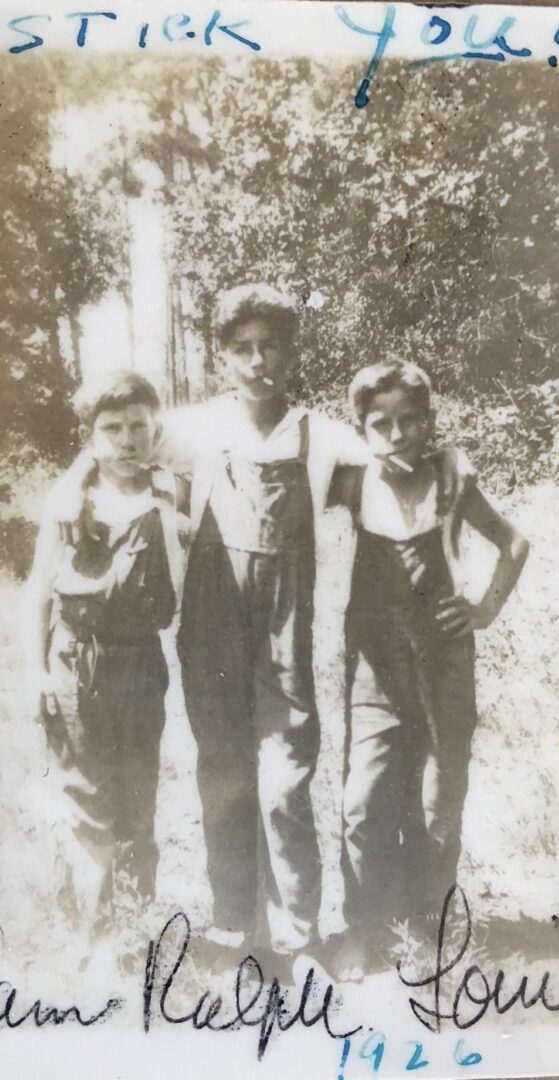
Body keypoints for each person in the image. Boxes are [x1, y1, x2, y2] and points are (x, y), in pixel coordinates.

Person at [171, 283, 368, 960]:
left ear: (291, 350)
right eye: (242, 349)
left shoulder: (324, 436)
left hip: (285, 628)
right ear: (222, 357)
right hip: (210, 619)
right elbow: (111, 459)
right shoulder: (193, 429)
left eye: (270, 346)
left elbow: (406, 476)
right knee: (223, 769)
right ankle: (233, 925)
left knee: (284, 778)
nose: (258, 362)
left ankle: (294, 934)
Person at [330, 359, 530, 980]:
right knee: (364, 800)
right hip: (374, 666)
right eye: (379, 423)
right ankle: (363, 928)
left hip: (444, 662)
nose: (395, 434)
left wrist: (484, 609)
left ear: (429, 422)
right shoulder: (350, 480)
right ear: (361, 428)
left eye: (409, 420)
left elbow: (514, 542)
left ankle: (429, 923)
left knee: (439, 800)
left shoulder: (452, 479)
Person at [25, 370, 181, 951]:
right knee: (88, 797)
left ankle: (137, 931)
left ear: (154, 428)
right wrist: (34, 670)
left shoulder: (172, 491)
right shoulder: (70, 501)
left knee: (138, 795)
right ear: (91, 438)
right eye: (111, 429)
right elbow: (38, 592)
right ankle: (95, 940)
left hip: (141, 662)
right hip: (75, 662)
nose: (126, 440)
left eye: (138, 426)